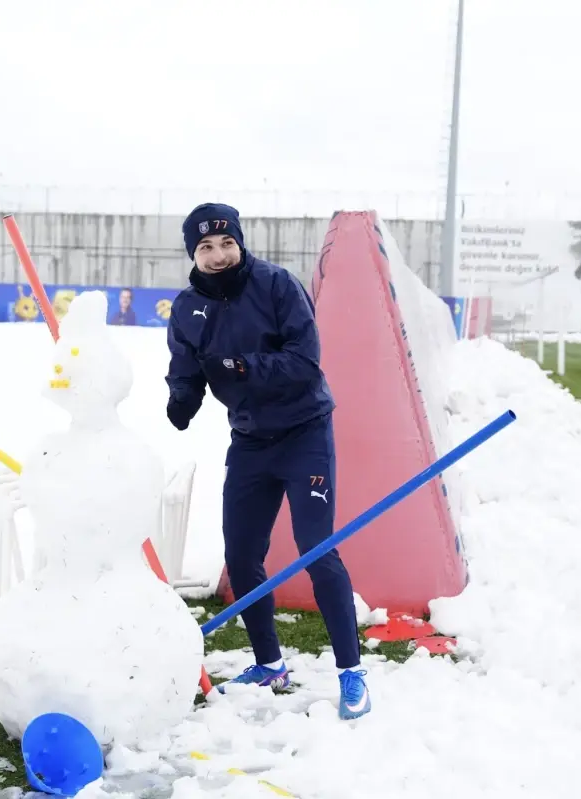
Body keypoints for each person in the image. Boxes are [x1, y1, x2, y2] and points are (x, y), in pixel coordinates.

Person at [163, 202, 370, 721]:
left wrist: (238, 367)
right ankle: (270, 664)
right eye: (206, 247)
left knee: (317, 549)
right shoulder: (187, 308)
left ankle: (352, 674)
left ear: (239, 242)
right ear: (194, 252)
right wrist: (181, 399)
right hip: (251, 439)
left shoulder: (277, 286)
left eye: (226, 243)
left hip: (304, 433)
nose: (217, 255)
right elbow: (187, 367)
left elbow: (305, 362)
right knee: (242, 555)